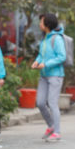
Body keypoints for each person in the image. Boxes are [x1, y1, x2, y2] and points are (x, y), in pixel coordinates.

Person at [32, 13, 66, 142]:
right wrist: (37, 61)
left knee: (52, 103)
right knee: (40, 102)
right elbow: (41, 55)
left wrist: (45, 64)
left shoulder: (56, 39)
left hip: (55, 75)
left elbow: (62, 56)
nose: (40, 24)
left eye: (41, 22)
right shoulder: (45, 38)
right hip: (44, 75)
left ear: (47, 24)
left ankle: (57, 132)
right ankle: (51, 126)